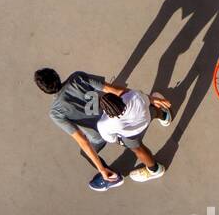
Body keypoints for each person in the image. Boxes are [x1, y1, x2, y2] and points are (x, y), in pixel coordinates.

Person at [34, 68, 172, 193]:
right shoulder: (77, 77)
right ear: (57, 75)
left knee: (88, 153)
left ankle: (111, 177)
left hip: (100, 135)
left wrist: (101, 168)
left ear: (44, 90)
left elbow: (82, 140)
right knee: (144, 117)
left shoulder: (55, 112)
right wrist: (148, 99)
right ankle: (164, 115)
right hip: (114, 113)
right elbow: (112, 89)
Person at [96, 90, 170, 189]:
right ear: (119, 99)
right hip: (145, 118)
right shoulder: (133, 96)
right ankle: (165, 117)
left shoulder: (103, 125)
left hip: (131, 136)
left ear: (106, 111)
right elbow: (148, 100)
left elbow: (111, 139)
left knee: (138, 149)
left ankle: (155, 170)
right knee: (154, 111)